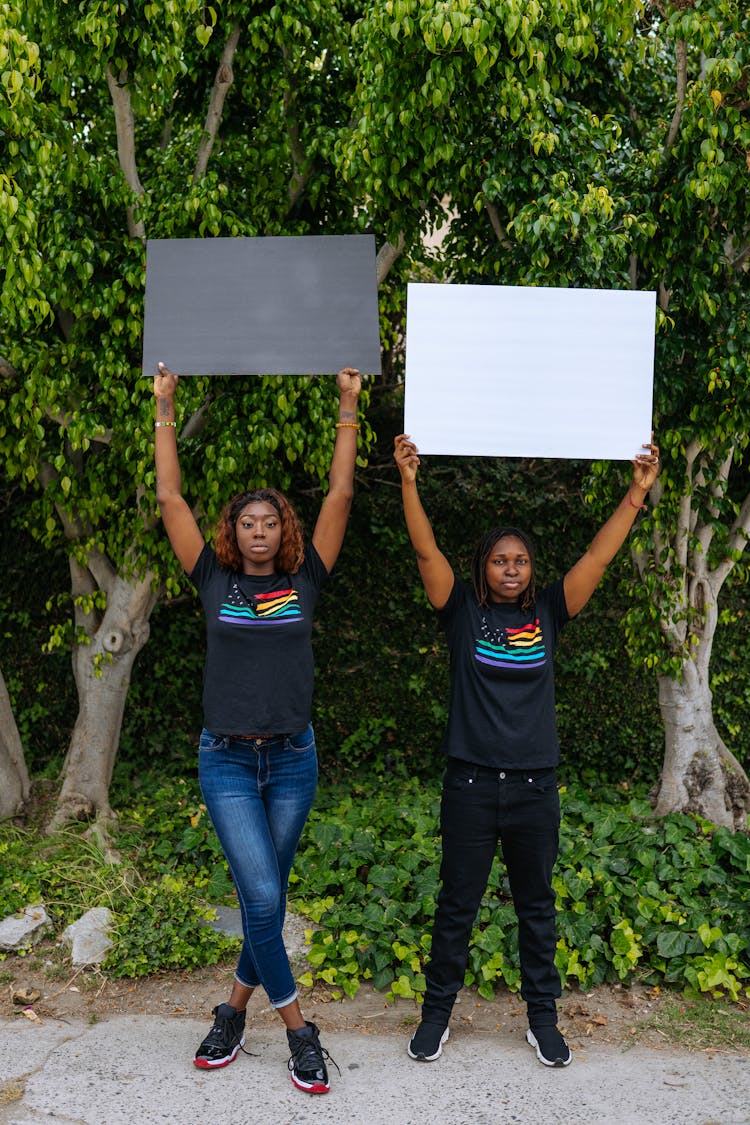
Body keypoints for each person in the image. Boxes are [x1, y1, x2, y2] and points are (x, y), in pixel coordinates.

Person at [393, 432, 660, 1068]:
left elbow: (598, 556)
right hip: (472, 786)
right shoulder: (460, 612)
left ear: (530, 569)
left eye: (520, 561)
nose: (511, 569)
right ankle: (437, 1018)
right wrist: (408, 481)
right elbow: (425, 548)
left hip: (535, 788)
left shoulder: (549, 610)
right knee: (456, 904)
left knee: (537, 908)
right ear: (483, 566)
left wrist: (635, 494)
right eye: (499, 561)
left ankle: (543, 1021)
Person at [153, 361, 362, 1094]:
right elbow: (170, 495)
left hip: (295, 760)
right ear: (232, 533)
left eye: (272, 521)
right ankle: (301, 1033)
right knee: (265, 898)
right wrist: (165, 408)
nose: (261, 530)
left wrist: (347, 404)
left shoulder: (307, 581)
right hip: (229, 763)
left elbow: (341, 491)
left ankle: (232, 1012)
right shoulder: (214, 579)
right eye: (249, 521)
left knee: (260, 896)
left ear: (286, 530)